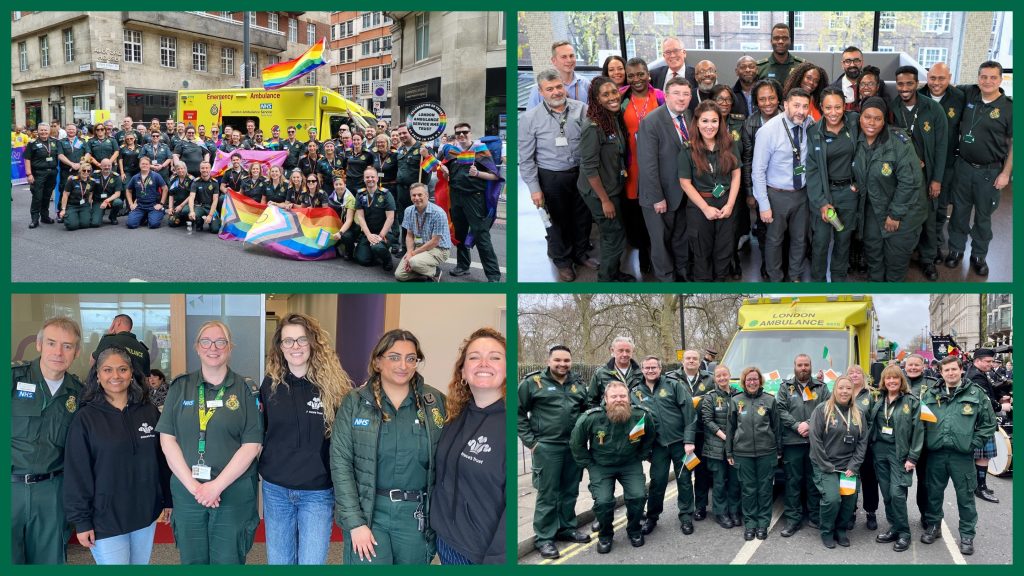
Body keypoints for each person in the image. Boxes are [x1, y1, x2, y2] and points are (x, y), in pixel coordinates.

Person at [330, 329, 446, 564]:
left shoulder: (434, 403)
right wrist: (355, 522)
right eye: (394, 357)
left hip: (416, 517)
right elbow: (341, 463)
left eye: (411, 358)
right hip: (370, 513)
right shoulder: (355, 402)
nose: (403, 365)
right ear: (377, 361)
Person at [156, 321, 263, 564]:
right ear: (196, 347)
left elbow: (252, 445)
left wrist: (215, 487)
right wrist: (196, 488)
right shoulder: (180, 387)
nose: (212, 347)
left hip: (233, 494)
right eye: (206, 341)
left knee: (228, 560)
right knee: (192, 560)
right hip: (188, 494)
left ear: (230, 347)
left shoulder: (246, 389)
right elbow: (168, 441)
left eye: (220, 341)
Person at [63, 347, 172, 565]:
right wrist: (82, 521)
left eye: (122, 369)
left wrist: (168, 499)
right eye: (108, 370)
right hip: (105, 518)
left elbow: (163, 461)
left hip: (145, 512)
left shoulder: (149, 411)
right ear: (97, 374)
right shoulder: (85, 418)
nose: (115, 376)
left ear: (132, 373)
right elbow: (77, 474)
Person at [260, 314, 353, 565]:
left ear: (313, 342)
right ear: (280, 346)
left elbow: (344, 441)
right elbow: (263, 430)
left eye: (301, 339)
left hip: (317, 491)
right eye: (288, 341)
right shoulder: (270, 384)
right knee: (279, 562)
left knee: (311, 562)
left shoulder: (334, 387)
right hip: (276, 489)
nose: (295, 347)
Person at [11, 317, 84, 564]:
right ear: (40, 345)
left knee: (49, 560)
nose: (58, 352)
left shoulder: (79, 393)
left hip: (52, 491)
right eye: (52, 343)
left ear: (76, 352)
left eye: (67, 345)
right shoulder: (12, 379)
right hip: (9, 488)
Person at [431, 328, 506, 564]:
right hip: (446, 542)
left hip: (481, 554)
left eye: (495, 357)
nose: (484, 363)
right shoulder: (453, 415)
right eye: (474, 357)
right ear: (462, 370)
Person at [516, 345, 590, 559]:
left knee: (570, 491)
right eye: (557, 360)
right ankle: (544, 538)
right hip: (547, 447)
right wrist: (532, 442)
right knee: (548, 494)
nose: (562, 364)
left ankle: (566, 528)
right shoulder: (532, 383)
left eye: (566, 360)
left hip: (573, 447)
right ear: (549, 361)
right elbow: (517, 413)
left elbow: (585, 413)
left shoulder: (577, 384)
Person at [519, 69, 592, 282]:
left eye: (559, 87)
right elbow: (525, 158)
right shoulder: (530, 118)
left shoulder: (582, 110)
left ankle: (580, 253)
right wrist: (534, 189)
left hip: (581, 174)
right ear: (541, 92)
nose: (556, 92)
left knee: (582, 218)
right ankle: (563, 261)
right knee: (555, 222)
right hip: (550, 177)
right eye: (549, 89)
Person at [919, 356, 997, 555]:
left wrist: (973, 443)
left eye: (954, 369)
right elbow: (920, 423)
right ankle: (934, 526)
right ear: (941, 372)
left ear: (961, 370)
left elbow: (989, 424)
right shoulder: (930, 394)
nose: (951, 373)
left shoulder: (976, 394)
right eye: (946, 370)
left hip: (962, 456)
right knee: (933, 494)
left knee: (966, 497)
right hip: (936, 454)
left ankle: (967, 535)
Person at [946, 60, 1013, 277]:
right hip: (963, 167)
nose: (988, 81)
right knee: (959, 212)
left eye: (993, 77)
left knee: (984, 216)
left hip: (990, 172)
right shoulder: (970, 94)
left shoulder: (1009, 108)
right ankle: (956, 251)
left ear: (1001, 80)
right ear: (978, 78)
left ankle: (979, 255)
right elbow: (947, 85)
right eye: (983, 77)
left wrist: (1005, 173)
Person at [572, 380, 655, 553]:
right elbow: (576, 444)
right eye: (614, 396)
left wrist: (640, 456)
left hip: (630, 464)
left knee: (638, 497)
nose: (619, 399)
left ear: (629, 397)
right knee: (603, 502)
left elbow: (649, 438)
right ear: (606, 399)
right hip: (601, 466)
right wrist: (589, 464)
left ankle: (634, 530)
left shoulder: (641, 415)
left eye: (623, 396)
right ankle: (605, 535)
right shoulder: (591, 417)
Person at [853, 97, 925, 282]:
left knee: (896, 263)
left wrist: (895, 215)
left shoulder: (899, 142)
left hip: (903, 213)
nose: (871, 122)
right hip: (873, 209)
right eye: (867, 117)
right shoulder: (856, 139)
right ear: (859, 117)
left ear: (884, 120)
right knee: (873, 255)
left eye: (877, 118)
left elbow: (910, 182)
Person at [891, 65, 948, 282]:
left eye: (909, 83)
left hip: (927, 176)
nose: (904, 88)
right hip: (902, 177)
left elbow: (942, 147)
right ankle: (903, 257)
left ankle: (928, 260)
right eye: (900, 84)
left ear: (917, 84)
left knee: (928, 219)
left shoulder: (933, 110)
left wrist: (936, 179)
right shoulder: (892, 107)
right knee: (904, 216)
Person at [751, 87, 814, 282]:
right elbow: (758, 171)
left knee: (799, 239)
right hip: (776, 195)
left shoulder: (809, 123)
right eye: (796, 105)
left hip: (802, 193)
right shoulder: (768, 131)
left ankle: (794, 276)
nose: (800, 111)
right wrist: (763, 204)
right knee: (774, 240)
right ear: (785, 104)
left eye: (805, 106)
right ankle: (775, 279)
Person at [577, 77, 634, 282]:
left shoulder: (613, 117)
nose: (612, 97)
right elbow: (589, 168)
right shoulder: (593, 127)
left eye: (614, 92)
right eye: (606, 94)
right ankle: (605, 279)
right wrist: (605, 200)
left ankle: (614, 272)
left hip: (613, 186)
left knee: (616, 233)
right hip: (599, 192)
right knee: (614, 236)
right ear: (597, 99)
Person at [678, 100, 741, 281]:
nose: (709, 126)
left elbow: (736, 175)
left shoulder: (729, 144)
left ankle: (720, 281)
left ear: (720, 123)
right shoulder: (687, 149)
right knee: (701, 252)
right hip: (700, 207)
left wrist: (730, 205)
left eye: (714, 121)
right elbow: (685, 183)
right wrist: (705, 208)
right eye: (704, 121)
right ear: (697, 122)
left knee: (724, 250)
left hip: (726, 204)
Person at [639, 76, 693, 282]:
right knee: (660, 242)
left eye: (686, 94)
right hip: (658, 196)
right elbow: (648, 164)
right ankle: (666, 279)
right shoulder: (651, 122)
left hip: (681, 193)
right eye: (677, 93)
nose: (682, 98)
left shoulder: (688, 116)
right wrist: (657, 198)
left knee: (680, 237)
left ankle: (682, 271)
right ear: (666, 95)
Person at [868, 365, 924, 552]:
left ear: (902, 381)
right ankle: (894, 527)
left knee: (897, 494)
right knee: (886, 494)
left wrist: (913, 457)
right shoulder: (878, 399)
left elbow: (918, 431)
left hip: (900, 453)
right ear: (883, 381)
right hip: (880, 451)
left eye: (895, 378)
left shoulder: (911, 402)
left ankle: (904, 533)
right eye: (888, 378)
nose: (891, 381)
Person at [438, 122, 503, 282]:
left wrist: (478, 173)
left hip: (475, 198)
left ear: (470, 132)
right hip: (456, 197)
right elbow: (448, 177)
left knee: (481, 235)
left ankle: (493, 275)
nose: (461, 135)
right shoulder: (453, 151)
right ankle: (462, 266)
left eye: (464, 132)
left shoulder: (480, 151)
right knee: (459, 233)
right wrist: (445, 172)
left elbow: (495, 176)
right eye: (458, 133)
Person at [806, 88, 860, 282]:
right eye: (828, 107)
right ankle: (818, 284)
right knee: (820, 242)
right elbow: (811, 171)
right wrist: (821, 202)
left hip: (848, 193)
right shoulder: (814, 131)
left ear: (844, 106)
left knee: (843, 241)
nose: (833, 112)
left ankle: (839, 282)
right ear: (821, 107)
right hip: (824, 194)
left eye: (838, 107)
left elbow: (866, 152)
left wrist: (858, 183)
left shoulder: (854, 123)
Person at [809, 375, 868, 549]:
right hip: (826, 465)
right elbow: (815, 439)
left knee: (849, 500)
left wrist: (854, 465)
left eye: (848, 388)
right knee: (832, 499)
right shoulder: (822, 410)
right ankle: (827, 531)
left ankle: (841, 530)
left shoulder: (858, 413)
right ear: (835, 390)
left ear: (853, 391)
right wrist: (826, 465)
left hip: (848, 467)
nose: (844, 391)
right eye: (841, 388)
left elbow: (863, 441)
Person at [776, 354, 830, 536]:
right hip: (792, 442)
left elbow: (827, 408)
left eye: (806, 365)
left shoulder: (821, 387)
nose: (803, 368)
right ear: (794, 366)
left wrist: (809, 423)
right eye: (800, 365)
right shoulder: (785, 387)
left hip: (815, 442)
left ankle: (816, 517)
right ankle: (793, 519)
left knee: (814, 481)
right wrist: (796, 425)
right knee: (793, 482)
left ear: (811, 366)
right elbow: (780, 410)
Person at [726, 367, 781, 541]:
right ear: (744, 382)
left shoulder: (770, 400)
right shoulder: (736, 401)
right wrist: (729, 451)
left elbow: (777, 427)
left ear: (760, 381)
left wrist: (779, 450)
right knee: (748, 490)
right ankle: (750, 524)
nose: (752, 382)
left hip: (767, 452)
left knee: (765, 489)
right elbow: (730, 428)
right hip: (743, 453)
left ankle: (763, 524)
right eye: (749, 379)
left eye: (755, 379)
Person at [620, 58, 663, 274]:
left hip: (658, 164)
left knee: (657, 211)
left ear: (648, 75)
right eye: (632, 75)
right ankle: (644, 254)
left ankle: (657, 255)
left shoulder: (660, 97)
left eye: (641, 74)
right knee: (637, 213)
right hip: (632, 165)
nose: (637, 79)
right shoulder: (621, 98)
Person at [920, 62, 966, 258]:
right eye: (932, 78)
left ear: (950, 78)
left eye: (941, 78)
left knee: (939, 206)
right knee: (920, 205)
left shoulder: (959, 98)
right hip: (921, 165)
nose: (936, 83)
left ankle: (936, 242)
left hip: (947, 164)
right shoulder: (918, 96)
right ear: (927, 77)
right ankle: (919, 242)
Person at [741, 79, 784, 279]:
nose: (768, 103)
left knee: (786, 232)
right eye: (762, 99)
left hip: (786, 188)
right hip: (762, 188)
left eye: (772, 98)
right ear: (756, 102)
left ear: (779, 98)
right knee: (766, 231)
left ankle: (781, 266)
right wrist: (751, 193)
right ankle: (767, 265)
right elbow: (748, 161)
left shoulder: (789, 116)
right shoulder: (750, 124)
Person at [665, 350, 714, 520]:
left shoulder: (710, 379)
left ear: (700, 362)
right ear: (683, 361)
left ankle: (700, 506)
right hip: (681, 433)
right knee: (685, 473)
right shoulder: (670, 379)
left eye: (694, 358)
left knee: (701, 472)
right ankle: (686, 507)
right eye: (688, 358)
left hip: (702, 432)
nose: (691, 361)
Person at [702, 365, 741, 529]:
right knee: (719, 482)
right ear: (714, 378)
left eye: (724, 375)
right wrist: (725, 436)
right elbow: (707, 420)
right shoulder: (710, 397)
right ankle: (721, 513)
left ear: (730, 375)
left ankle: (734, 511)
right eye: (718, 376)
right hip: (717, 447)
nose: (722, 378)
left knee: (735, 481)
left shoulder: (739, 394)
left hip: (736, 447)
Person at [963, 348, 1001, 503]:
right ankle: (981, 487)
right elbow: (984, 399)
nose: (991, 364)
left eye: (992, 361)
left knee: (980, 456)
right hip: (981, 422)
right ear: (977, 360)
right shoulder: (976, 376)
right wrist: (1000, 406)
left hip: (977, 421)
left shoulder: (976, 373)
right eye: (988, 361)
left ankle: (977, 486)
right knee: (983, 457)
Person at [904, 353, 938, 522]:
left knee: (925, 483)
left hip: (925, 442)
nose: (913, 368)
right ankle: (898, 518)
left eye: (917, 365)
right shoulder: (897, 383)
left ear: (924, 366)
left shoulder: (932, 385)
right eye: (910, 365)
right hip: (903, 442)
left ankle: (926, 515)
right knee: (900, 483)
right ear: (905, 366)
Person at [395, 182, 451, 282]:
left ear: (427, 195)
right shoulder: (408, 210)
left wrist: (412, 254)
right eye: (413, 195)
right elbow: (409, 235)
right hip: (419, 245)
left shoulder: (438, 213)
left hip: (438, 249)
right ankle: (423, 270)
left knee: (413, 262)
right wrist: (408, 253)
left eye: (420, 195)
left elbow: (435, 242)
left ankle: (435, 272)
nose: (416, 198)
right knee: (400, 275)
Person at [846, 365, 880, 530]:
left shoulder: (871, 394)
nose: (854, 375)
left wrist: (868, 439)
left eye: (857, 372)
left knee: (869, 480)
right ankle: (850, 512)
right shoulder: (842, 392)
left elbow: (875, 419)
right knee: (850, 479)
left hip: (867, 445)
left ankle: (871, 513)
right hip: (847, 446)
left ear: (863, 376)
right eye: (851, 373)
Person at [394, 124, 435, 240]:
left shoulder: (423, 148)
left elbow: (433, 168)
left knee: (419, 220)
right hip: (402, 191)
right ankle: (405, 247)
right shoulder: (400, 150)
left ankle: (419, 247)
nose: (402, 136)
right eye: (400, 134)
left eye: (404, 133)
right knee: (404, 219)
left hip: (417, 192)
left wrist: (426, 156)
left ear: (411, 132)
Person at [526, 41, 591, 109]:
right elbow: (531, 117)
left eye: (571, 56)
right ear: (554, 61)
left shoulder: (585, 83)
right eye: (564, 57)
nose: (569, 60)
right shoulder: (539, 88)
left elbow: (591, 113)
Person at [91, 313, 151, 387]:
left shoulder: (109, 340)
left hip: (112, 390)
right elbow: (146, 380)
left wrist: (108, 334)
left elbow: (92, 362)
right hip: (136, 394)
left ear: (118, 322)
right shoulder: (143, 349)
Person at [588, 336, 643, 408]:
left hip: (636, 417)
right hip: (609, 417)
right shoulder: (600, 373)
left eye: (628, 351)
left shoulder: (642, 373)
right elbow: (591, 401)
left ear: (633, 351)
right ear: (612, 351)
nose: (624, 354)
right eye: (620, 350)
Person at [24, 122, 60, 228]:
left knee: (47, 196)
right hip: (38, 173)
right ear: (38, 131)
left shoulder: (55, 142)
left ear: (49, 131)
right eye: (41, 130)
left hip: (52, 173)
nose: (44, 132)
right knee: (37, 197)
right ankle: (34, 219)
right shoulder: (32, 143)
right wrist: (29, 174)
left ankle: (45, 217)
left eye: (45, 130)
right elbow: (27, 159)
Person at [124, 156, 168, 229]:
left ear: (150, 165)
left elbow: (165, 188)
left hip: (153, 205)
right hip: (140, 205)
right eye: (142, 164)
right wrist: (131, 204)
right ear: (139, 165)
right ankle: (144, 216)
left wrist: (161, 204)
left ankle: (160, 211)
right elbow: (128, 190)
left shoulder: (156, 176)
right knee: (131, 224)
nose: (144, 165)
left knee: (154, 224)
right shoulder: (135, 177)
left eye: (147, 164)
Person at [57, 123, 87, 218]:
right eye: (69, 129)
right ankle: (61, 212)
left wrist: (81, 164)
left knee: (80, 190)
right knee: (64, 191)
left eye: (73, 129)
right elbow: (60, 155)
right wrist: (72, 164)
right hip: (66, 171)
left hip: (80, 171)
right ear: (66, 130)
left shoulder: (82, 141)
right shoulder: (61, 142)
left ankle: (78, 211)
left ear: (76, 130)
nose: (71, 131)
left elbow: (88, 153)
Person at [59, 163, 99, 231]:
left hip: (84, 205)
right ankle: (67, 217)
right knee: (72, 226)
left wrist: (90, 207)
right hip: (72, 205)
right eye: (84, 170)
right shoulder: (72, 180)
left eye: (88, 171)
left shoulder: (92, 181)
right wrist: (63, 209)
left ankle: (77, 218)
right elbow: (65, 195)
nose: (86, 172)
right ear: (80, 170)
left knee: (85, 225)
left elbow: (90, 194)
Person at [186, 162, 221, 233]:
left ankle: (210, 221)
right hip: (200, 206)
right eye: (202, 168)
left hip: (210, 208)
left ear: (210, 169)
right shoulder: (195, 182)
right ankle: (199, 222)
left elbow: (215, 200)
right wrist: (192, 211)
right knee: (193, 216)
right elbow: (191, 197)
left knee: (215, 230)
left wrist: (210, 215)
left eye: (206, 168)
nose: (204, 170)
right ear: (200, 169)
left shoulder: (215, 182)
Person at [829, 46, 864, 111]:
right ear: (842, 64)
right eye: (848, 61)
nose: (852, 65)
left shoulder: (877, 85)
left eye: (856, 61)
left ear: (862, 63)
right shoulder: (830, 89)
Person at [166, 162, 196, 227]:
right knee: (171, 223)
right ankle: (182, 218)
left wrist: (181, 206)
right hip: (177, 205)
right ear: (175, 170)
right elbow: (171, 194)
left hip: (188, 205)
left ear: (185, 169)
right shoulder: (173, 178)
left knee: (185, 211)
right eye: (178, 169)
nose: (180, 170)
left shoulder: (191, 179)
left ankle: (189, 218)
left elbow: (191, 195)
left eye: (182, 168)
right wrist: (170, 207)